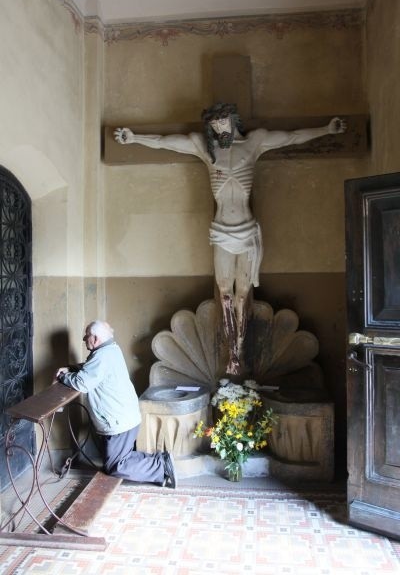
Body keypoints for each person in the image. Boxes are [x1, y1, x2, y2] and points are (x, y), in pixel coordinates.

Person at [114, 103, 346, 376]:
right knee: (224, 293)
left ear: (233, 120)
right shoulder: (205, 148)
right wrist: (136, 137)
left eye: (222, 121)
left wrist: (325, 130)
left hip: (247, 231)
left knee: (242, 294)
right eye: (213, 124)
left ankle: (240, 345)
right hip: (221, 231)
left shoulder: (254, 143)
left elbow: (292, 136)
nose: (218, 128)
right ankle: (232, 355)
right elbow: (168, 143)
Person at [55, 320, 177, 487]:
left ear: (96, 338)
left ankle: (161, 465)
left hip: (118, 421)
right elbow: (92, 369)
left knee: (116, 466)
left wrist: (63, 376)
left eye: (87, 335)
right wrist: (74, 368)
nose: (84, 339)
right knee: (118, 459)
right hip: (125, 416)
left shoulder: (102, 356)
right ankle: (160, 462)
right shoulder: (111, 349)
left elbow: (82, 383)